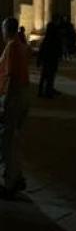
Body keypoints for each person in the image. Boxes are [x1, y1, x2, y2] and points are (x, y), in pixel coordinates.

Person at [0, 17, 32, 197]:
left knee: (6, 141)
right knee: (14, 138)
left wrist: (4, 103)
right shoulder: (20, 45)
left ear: (6, 30)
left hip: (13, 97)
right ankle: (18, 177)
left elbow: (10, 76)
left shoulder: (12, 46)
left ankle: (9, 182)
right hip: (22, 95)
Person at [37, 21, 62, 98]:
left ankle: (41, 91)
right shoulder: (55, 38)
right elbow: (58, 49)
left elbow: (41, 50)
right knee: (50, 76)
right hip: (52, 60)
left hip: (46, 60)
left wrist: (39, 60)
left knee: (44, 76)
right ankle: (48, 91)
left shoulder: (46, 38)